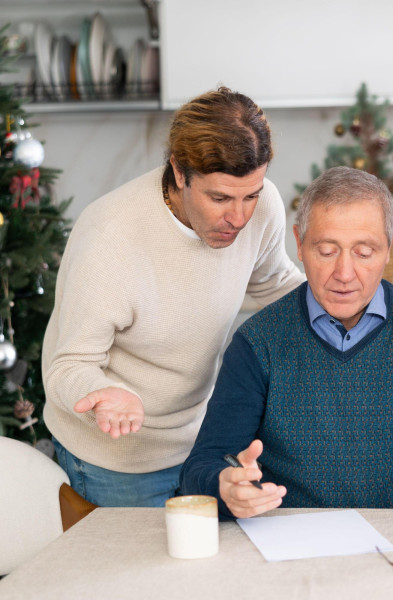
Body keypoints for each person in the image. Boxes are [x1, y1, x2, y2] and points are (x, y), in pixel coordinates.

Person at [180, 166, 393, 523]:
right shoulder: (258, 344)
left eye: (364, 252)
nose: (345, 274)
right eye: (327, 251)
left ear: (389, 247)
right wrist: (224, 488)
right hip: (297, 547)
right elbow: (202, 468)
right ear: (298, 243)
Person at [42, 87, 305, 507]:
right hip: (117, 460)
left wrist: (379, 311)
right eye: (219, 198)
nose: (238, 218)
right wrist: (103, 393)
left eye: (250, 195)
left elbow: (276, 284)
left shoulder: (263, 208)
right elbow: (67, 367)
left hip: (202, 445)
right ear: (180, 173)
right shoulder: (109, 238)